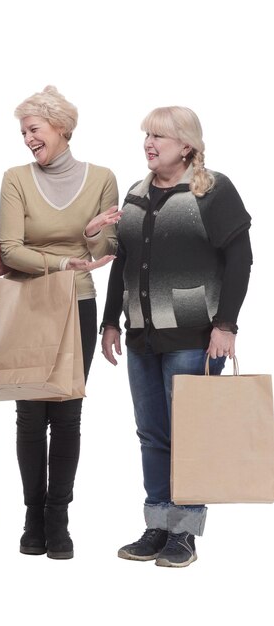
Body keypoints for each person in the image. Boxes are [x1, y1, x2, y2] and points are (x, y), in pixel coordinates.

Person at [101, 106, 252, 568]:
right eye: (147, 134)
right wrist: (110, 322)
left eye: (160, 136)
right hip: (142, 336)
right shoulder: (136, 194)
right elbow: (122, 264)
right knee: (152, 434)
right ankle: (157, 524)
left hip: (194, 335)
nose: (149, 143)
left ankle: (184, 531)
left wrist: (225, 326)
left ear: (186, 145)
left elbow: (240, 260)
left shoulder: (214, 190)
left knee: (190, 433)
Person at [0, 85, 121, 559]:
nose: (27, 138)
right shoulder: (15, 179)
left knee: (67, 414)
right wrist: (62, 263)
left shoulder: (103, 178)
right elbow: (9, 249)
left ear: (61, 128)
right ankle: (32, 517)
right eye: (23, 131)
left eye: (33, 129)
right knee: (30, 414)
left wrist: (89, 236)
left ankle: (58, 518)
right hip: (28, 304)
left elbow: (105, 252)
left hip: (78, 305)